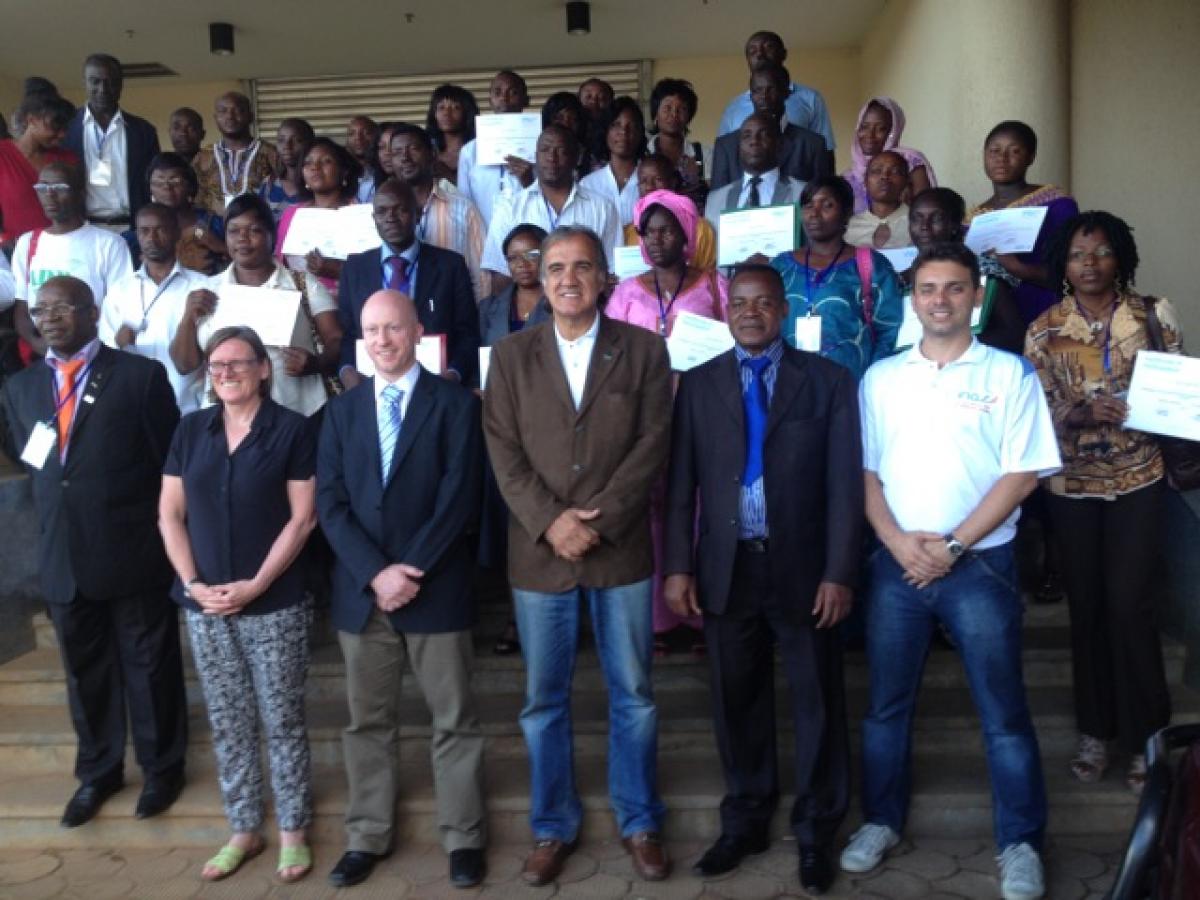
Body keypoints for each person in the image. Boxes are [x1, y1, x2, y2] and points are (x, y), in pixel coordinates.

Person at [845, 243, 1060, 900]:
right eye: (928, 288)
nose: (939, 299)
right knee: (886, 709)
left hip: (981, 567)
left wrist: (955, 546)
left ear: (976, 296)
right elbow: (865, 474)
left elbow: (1022, 473)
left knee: (1004, 713)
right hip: (897, 567)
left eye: (954, 288)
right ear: (913, 299)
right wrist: (896, 543)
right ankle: (880, 821)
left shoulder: (1009, 374)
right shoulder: (880, 378)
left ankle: (1020, 843)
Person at [483, 226, 673, 886]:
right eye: (555, 266)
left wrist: (601, 519)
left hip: (618, 552)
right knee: (543, 702)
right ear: (537, 275)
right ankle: (551, 827)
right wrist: (550, 521)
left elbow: (653, 443)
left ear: (603, 278)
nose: (568, 278)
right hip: (540, 555)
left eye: (582, 267)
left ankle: (640, 820)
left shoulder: (645, 351)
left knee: (636, 697)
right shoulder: (509, 356)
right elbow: (503, 451)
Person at [663, 263, 860, 893]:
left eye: (763, 302)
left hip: (804, 569)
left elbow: (844, 486)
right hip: (729, 567)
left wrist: (838, 571)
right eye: (740, 303)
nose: (751, 313)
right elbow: (680, 486)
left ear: (783, 309)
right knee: (735, 700)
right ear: (727, 310)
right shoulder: (698, 386)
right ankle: (744, 821)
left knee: (818, 702)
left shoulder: (826, 381)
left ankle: (814, 832)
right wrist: (678, 566)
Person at [0, 275, 187, 829]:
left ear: (91, 310)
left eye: (62, 307)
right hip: (63, 556)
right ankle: (99, 771)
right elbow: (35, 462)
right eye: (40, 309)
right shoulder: (22, 388)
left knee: (149, 666)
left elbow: (168, 465)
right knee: (84, 672)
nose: (49, 317)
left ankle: (161, 769)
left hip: (131, 551)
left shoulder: (139, 376)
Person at [317, 289, 487, 889]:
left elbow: (460, 497)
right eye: (371, 331)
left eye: (393, 328)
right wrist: (375, 573)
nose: (383, 340)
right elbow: (331, 505)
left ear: (418, 331)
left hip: (435, 588)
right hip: (363, 597)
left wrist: (408, 569)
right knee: (367, 723)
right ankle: (366, 836)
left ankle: (463, 837)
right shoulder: (342, 411)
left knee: (455, 719)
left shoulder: (455, 406)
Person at [1026, 211, 1178, 795]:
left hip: (1139, 477)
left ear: (1121, 258)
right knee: (1086, 608)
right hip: (1072, 487)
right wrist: (1080, 412)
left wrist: (1145, 406)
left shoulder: (1154, 315)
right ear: (1063, 265)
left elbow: (1176, 389)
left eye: (1101, 252)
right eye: (1077, 255)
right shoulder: (1043, 328)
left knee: (1132, 607)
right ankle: (1097, 731)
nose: (1089, 264)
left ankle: (1149, 736)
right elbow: (1034, 412)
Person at [158, 325, 317, 884]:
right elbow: (169, 515)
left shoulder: (292, 431)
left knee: (281, 719)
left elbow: (303, 519)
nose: (225, 373)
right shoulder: (189, 430)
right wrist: (193, 583)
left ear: (263, 369)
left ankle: (294, 831)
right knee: (228, 721)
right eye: (216, 365)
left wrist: (255, 584)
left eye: (238, 363)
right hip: (204, 606)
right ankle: (244, 830)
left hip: (274, 604)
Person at [608, 190, 727, 652]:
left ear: (687, 234)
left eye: (667, 230)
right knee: (652, 513)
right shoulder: (623, 291)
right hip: (643, 420)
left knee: (703, 512)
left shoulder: (715, 285)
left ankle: (701, 617)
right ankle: (659, 620)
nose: (656, 240)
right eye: (648, 231)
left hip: (704, 417)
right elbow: (610, 356)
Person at [170, 194, 342, 418]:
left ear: (272, 236)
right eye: (233, 231)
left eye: (254, 230)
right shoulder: (208, 290)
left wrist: (315, 363)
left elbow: (336, 340)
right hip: (224, 420)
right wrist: (188, 318)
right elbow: (184, 365)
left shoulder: (302, 284)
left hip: (295, 415)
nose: (242, 238)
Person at [477, 224, 552, 656]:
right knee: (511, 526)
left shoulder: (562, 301)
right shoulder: (489, 308)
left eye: (533, 255)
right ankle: (515, 615)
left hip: (548, 426)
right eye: (514, 257)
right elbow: (473, 361)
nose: (523, 264)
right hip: (501, 430)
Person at [336, 178, 480, 388]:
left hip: (437, 387)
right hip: (372, 386)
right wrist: (348, 373)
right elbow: (348, 335)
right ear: (374, 218)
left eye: (400, 210)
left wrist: (452, 375)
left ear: (418, 213)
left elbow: (467, 333)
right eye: (382, 212)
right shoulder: (355, 268)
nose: (391, 218)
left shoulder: (451, 265)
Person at [770, 175, 902, 381]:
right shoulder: (780, 267)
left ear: (847, 213)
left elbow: (889, 329)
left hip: (851, 386)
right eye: (808, 205)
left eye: (827, 205)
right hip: (789, 385)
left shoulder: (871, 265)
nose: (814, 214)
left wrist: (873, 379)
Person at [11, 161, 133, 359]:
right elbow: (22, 308)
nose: (49, 195)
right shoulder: (27, 243)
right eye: (42, 187)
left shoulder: (109, 244)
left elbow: (119, 309)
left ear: (80, 194)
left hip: (94, 355)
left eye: (59, 187)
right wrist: (43, 347)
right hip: (41, 356)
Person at [98, 202, 212, 413]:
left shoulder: (202, 286)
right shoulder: (119, 291)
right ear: (137, 235)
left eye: (160, 229)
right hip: (133, 405)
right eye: (144, 231)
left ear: (177, 233)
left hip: (186, 406)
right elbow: (103, 353)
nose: (152, 238)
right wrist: (117, 342)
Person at [968, 120, 1079, 325]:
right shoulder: (973, 218)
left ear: (1031, 157)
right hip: (988, 318)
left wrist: (1016, 267)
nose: (1002, 158)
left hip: (1041, 312)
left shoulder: (1056, 204)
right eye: (994, 151)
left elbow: (1072, 270)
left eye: (1015, 151)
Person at [481, 125, 620, 287]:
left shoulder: (603, 208)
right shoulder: (510, 208)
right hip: (528, 309)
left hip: (582, 306)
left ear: (577, 158)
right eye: (545, 150)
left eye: (560, 150)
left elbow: (611, 272)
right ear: (535, 156)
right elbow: (500, 274)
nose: (551, 158)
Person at [898, 187, 1026, 354]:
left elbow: (1013, 334)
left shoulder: (983, 271)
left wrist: (951, 346)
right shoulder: (901, 279)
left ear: (954, 225)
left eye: (936, 219)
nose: (924, 227)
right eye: (916, 219)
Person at [390, 123, 489, 301]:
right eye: (397, 152)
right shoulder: (382, 214)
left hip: (449, 317)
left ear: (432, 155)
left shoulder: (463, 210)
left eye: (413, 149)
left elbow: (482, 277)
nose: (405, 158)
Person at [63, 54, 160, 231]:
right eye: (95, 81)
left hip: (132, 230)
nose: (102, 89)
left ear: (121, 84)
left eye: (110, 82)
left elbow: (153, 184)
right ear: (84, 82)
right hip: (82, 228)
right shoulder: (65, 129)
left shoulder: (144, 132)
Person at [710, 64, 831, 191]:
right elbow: (718, 200)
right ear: (751, 96)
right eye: (757, 90)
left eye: (771, 89)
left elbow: (822, 195)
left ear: (786, 93)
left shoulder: (812, 144)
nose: (764, 96)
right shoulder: (726, 145)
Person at [717, 31, 836, 153]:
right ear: (747, 59)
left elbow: (826, 151)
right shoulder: (733, 107)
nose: (760, 54)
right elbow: (723, 154)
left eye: (768, 48)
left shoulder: (811, 98)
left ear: (783, 54)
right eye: (752, 51)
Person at [275, 137, 361, 292]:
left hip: (345, 307)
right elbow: (279, 267)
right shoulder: (291, 215)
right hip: (298, 305)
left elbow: (373, 272)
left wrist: (338, 270)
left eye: (326, 161)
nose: (315, 167)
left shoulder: (359, 215)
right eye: (308, 163)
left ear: (344, 171)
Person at [0, 83, 76, 252]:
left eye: (65, 128)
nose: (62, 134)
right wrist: (4, 240)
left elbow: (77, 207)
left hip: (60, 248)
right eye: (55, 126)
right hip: (12, 250)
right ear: (31, 120)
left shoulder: (67, 159)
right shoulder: (3, 154)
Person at [457, 70, 535, 227]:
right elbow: (464, 203)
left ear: (526, 100)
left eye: (512, 92)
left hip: (528, 235)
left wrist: (530, 181)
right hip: (483, 238)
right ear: (490, 100)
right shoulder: (470, 151)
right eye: (497, 92)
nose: (504, 99)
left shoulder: (539, 147)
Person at [705, 112, 805, 229]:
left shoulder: (802, 193)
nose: (754, 141)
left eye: (763, 135)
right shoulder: (715, 200)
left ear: (779, 144)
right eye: (747, 136)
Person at [139, 152, 227, 276]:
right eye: (159, 183)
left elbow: (237, 257)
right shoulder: (143, 227)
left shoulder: (212, 224)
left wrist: (219, 246)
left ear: (190, 186)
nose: (167, 188)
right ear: (150, 189)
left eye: (175, 182)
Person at [624, 154, 717, 270]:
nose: (649, 186)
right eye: (643, 181)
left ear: (672, 182)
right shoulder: (630, 232)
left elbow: (709, 276)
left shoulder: (700, 228)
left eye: (658, 179)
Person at [194, 92, 281, 217]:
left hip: (260, 227)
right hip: (212, 231)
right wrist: (200, 233)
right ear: (215, 118)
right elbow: (196, 202)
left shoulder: (271, 154)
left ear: (251, 116)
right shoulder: (202, 157)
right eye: (223, 111)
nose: (230, 116)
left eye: (238, 111)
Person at [843, 97, 935, 213]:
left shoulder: (911, 162)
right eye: (864, 127)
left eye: (880, 129)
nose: (870, 135)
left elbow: (924, 211)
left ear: (893, 130)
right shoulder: (848, 178)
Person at [579, 96, 646, 227]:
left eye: (631, 126)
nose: (623, 132)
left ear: (640, 134)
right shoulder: (588, 184)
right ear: (606, 132)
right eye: (616, 125)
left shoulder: (651, 181)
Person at [646, 78, 707, 212]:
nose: (674, 114)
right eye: (667, 108)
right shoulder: (643, 154)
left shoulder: (703, 154)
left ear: (689, 117)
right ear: (655, 114)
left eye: (681, 109)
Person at [846, 151, 911, 250]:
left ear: (906, 181)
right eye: (877, 171)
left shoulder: (918, 223)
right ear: (865, 181)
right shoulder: (848, 227)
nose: (885, 176)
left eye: (895, 171)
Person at [260, 118, 316, 220]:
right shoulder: (269, 185)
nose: (287, 146)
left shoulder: (317, 183)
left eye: (296, 140)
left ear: (309, 144)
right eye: (281, 140)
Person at [425, 85, 478, 185]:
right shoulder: (428, 152)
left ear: (467, 113)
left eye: (455, 108)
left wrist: (449, 176)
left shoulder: (479, 151)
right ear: (434, 114)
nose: (446, 113)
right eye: (441, 107)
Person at [541, 91, 594, 176]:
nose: (566, 123)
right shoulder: (538, 152)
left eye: (573, 119)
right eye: (559, 118)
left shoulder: (592, 156)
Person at [345, 115, 380, 201]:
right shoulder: (340, 173)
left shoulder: (385, 171)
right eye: (352, 134)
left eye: (366, 133)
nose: (358, 138)